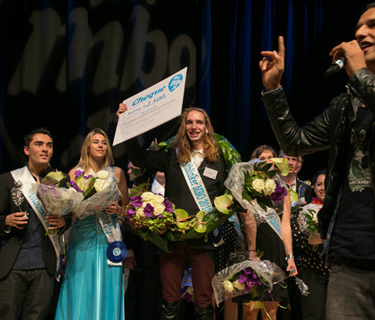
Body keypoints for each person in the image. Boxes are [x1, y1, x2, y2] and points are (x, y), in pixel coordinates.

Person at [259, 0, 375, 318]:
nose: (360, 33)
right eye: (357, 28)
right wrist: (273, 89)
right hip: (349, 263)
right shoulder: (346, 103)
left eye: (374, 25)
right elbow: (297, 142)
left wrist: (361, 75)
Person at [118, 104, 227, 320]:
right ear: (184, 127)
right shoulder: (171, 155)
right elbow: (139, 159)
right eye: (189, 122)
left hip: (203, 238)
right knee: (169, 298)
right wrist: (126, 124)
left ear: (207, 128)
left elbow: (226, 195)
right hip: (173, 236)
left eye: (199, 122)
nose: (193, 126)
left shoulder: (219, 159)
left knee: (204, 299)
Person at [54, 128, 129, 320]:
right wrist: (83, 207)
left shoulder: (117, 173)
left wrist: (117, 209)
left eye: (104, 142)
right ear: (87, 147)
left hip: (109, 238)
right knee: (80, 283)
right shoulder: (74, 173)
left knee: (108, 283)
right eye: (96, 142)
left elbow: (127, 209)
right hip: (82, 237)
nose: (101, 145)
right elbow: (70, 210)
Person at [0, 128, 67, 320]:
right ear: (27, 150)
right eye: (39, 144)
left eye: (49, 146)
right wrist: (7, 220)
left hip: (45, 263)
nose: (45, 149)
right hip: (13, 264)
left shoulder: (60, 180)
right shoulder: (8, 179)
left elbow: (68, 220)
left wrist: (63, 221)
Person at [235, 145, 297, 320]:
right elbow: (246, 218)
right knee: (250, 310)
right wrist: (252, 252)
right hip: (254, 248)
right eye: (262, 158)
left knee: (271, 310)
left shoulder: (282, 189)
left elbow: (285, 225)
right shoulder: (247, 185)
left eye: (270, 158)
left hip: (275, 248)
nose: (267, 161)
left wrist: (290, 256)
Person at [291, 169, 329, 320]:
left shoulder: (341, 211)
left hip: (336, 272)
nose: (323, 188)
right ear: (313, 187)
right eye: (319, 184)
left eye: (327, 184)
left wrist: (324, 239)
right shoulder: (304, 211)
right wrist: (311, 238)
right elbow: (296, 239)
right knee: (313, 315)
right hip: (311, 270)